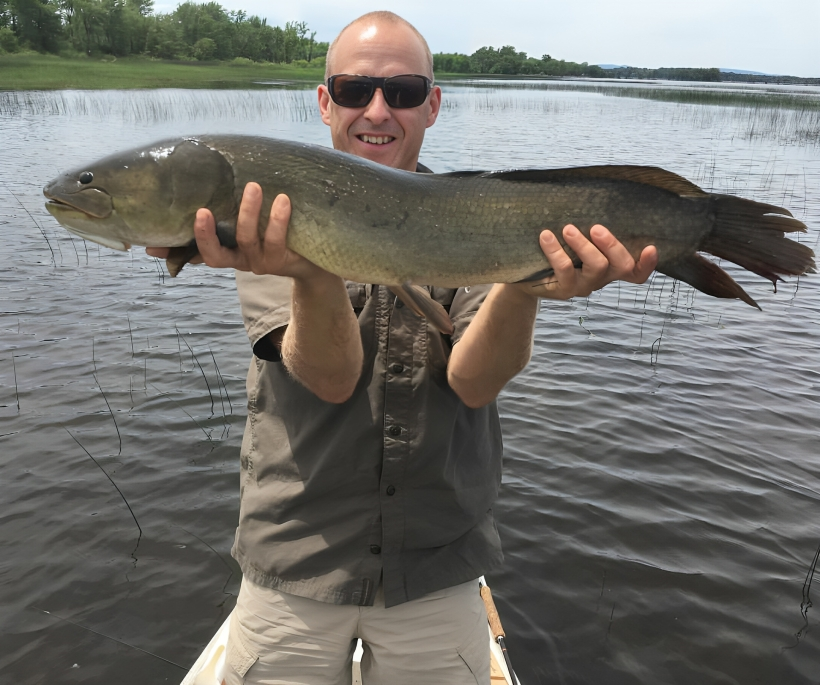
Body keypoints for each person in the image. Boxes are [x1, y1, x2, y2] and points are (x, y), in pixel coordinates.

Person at [150, 11, 657, 685]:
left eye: (405, 91)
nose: (378, 111)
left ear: (434, 105)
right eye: (356, 91)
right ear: (326, 101)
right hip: (296, 562)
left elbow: (473, 383)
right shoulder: (265, 215)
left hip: (435, 566)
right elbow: (329, 380)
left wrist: (525, 287)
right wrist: (310, 269)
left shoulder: (479, 219)